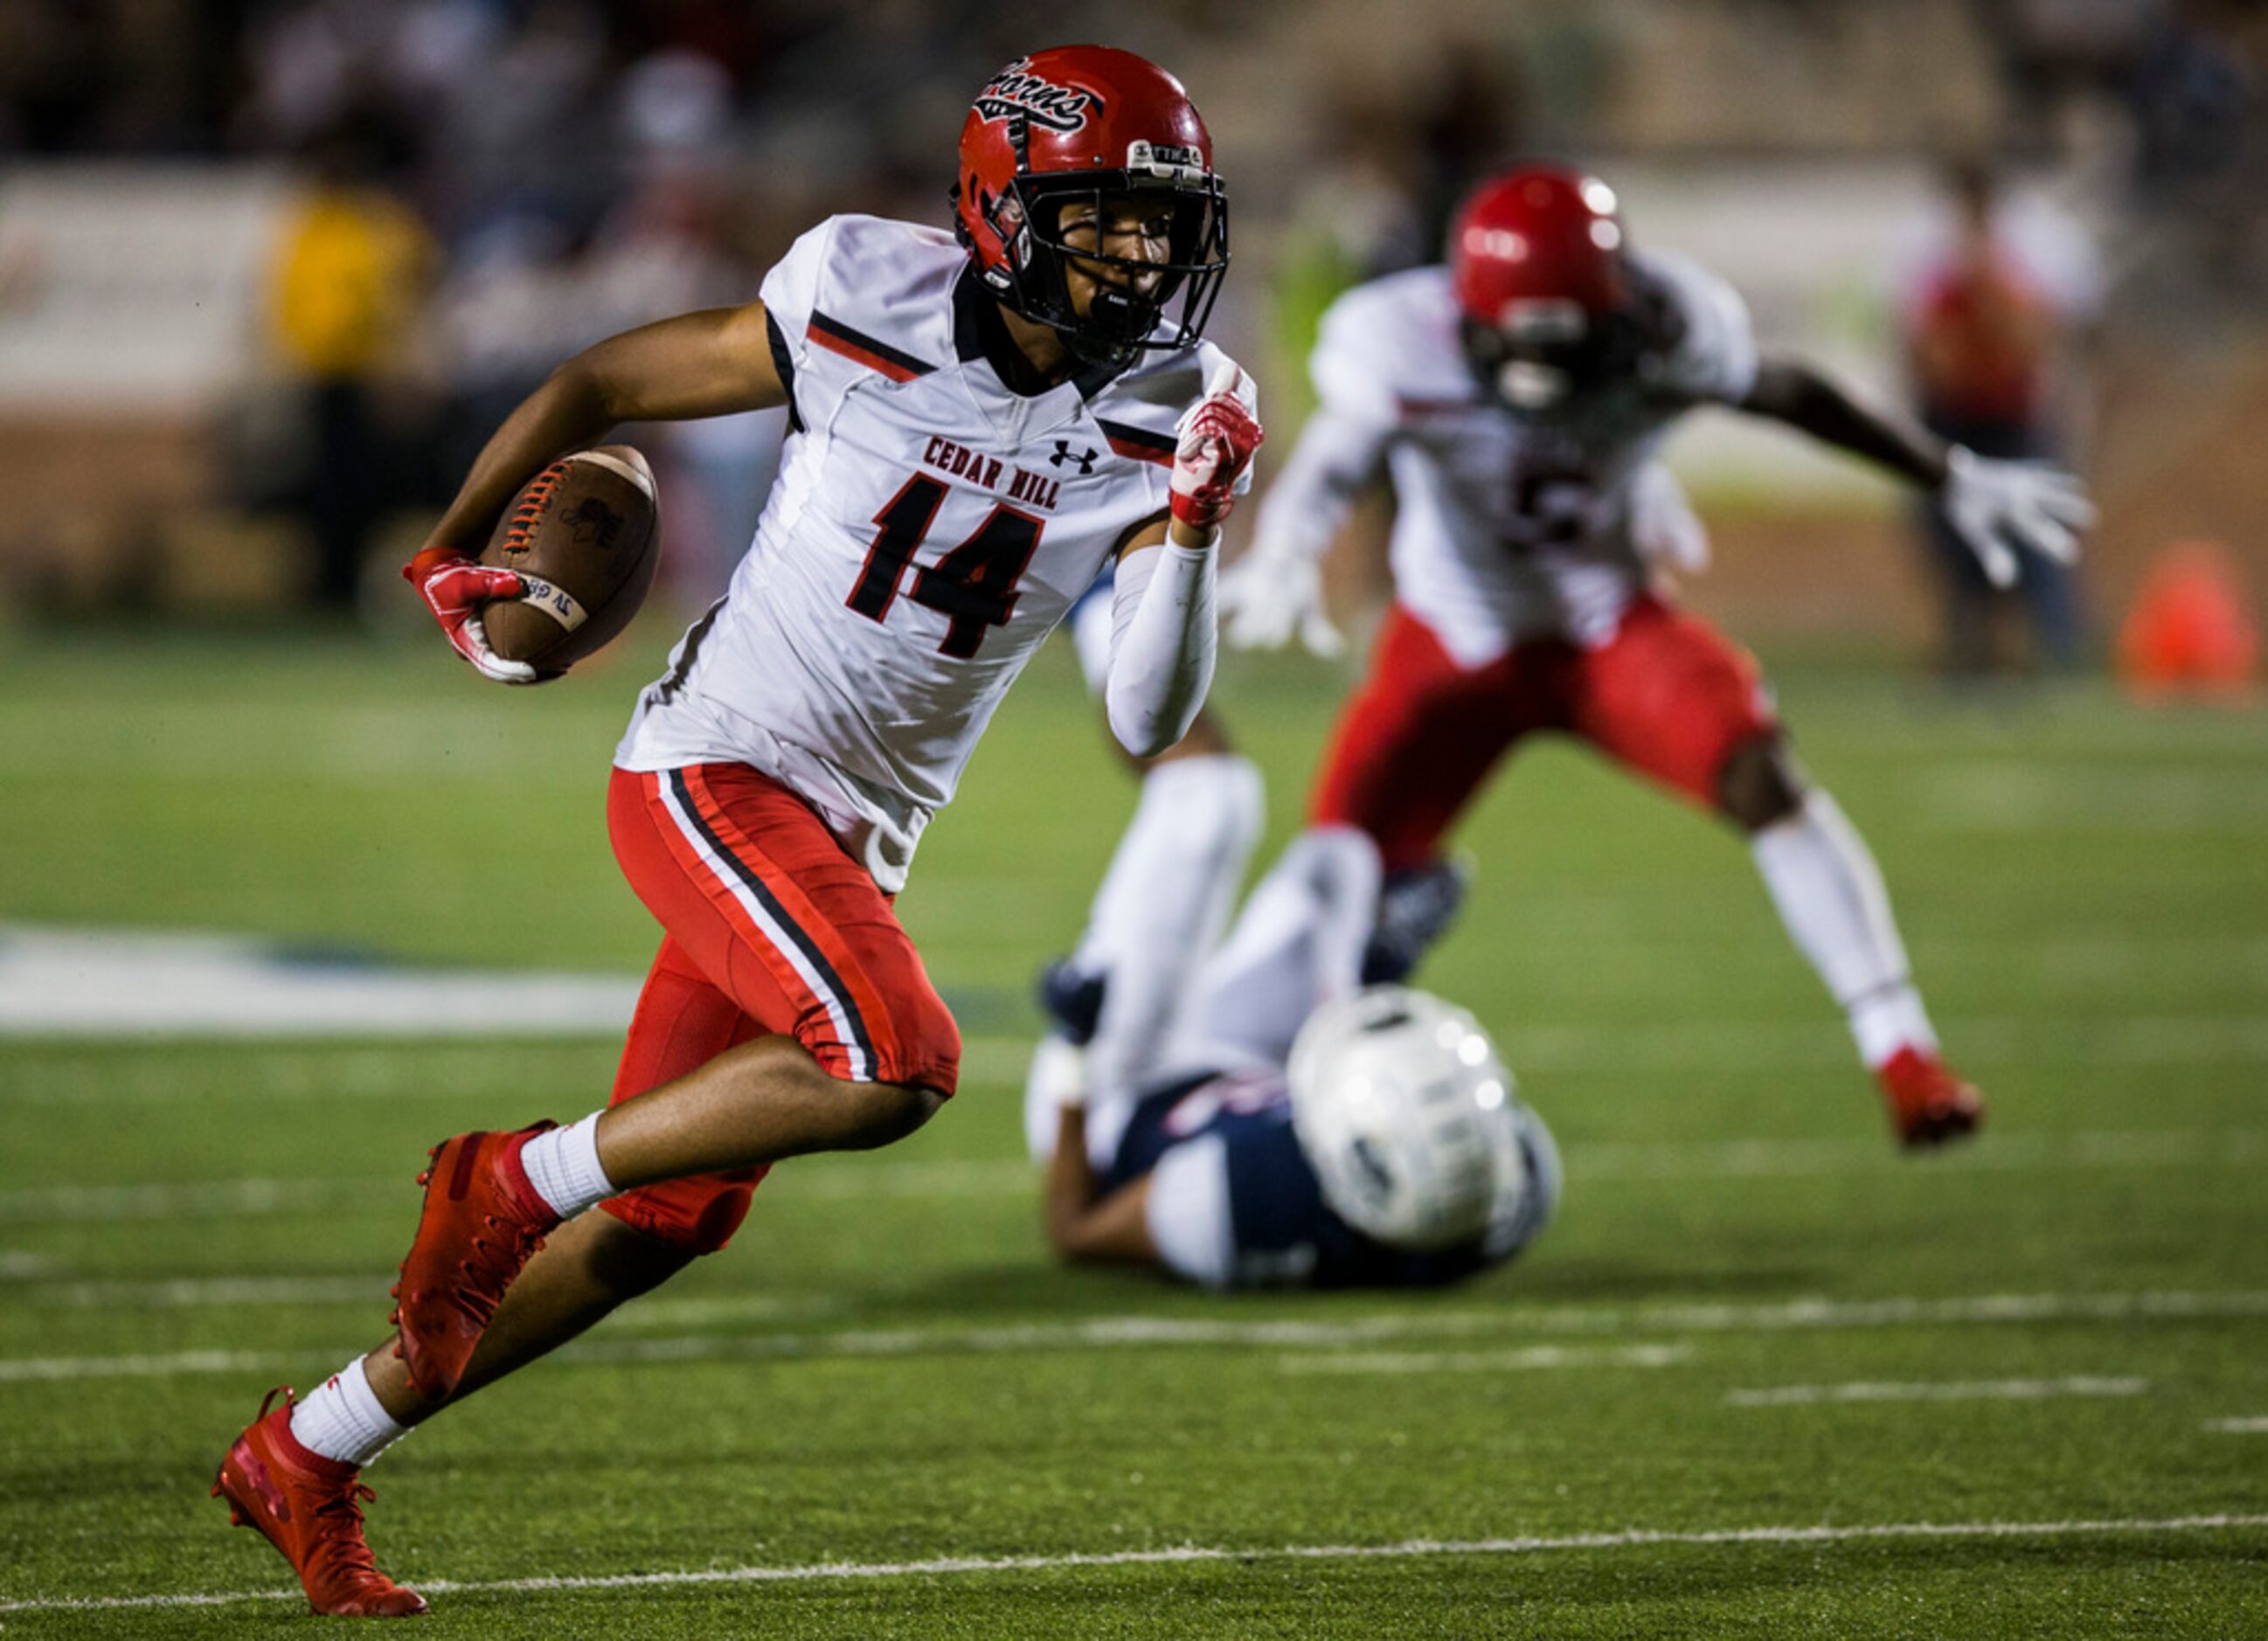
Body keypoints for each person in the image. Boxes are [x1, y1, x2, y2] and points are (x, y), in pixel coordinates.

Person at [209, 46, 1263, 1618]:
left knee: (659, 1224)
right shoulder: (860, 293)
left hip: (855, 830)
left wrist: (1188, 525)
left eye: (1165, 226)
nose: (1147, 256)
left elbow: (1149, 717)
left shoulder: (1184, 404)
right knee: (891, 1061)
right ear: (1004, 208)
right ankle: (508, 1176)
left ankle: (309, 1444)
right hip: (718, 767)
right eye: (1110, 221)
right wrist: (445, 550)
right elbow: (603, 385)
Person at [1217, 165, 2093, 1150]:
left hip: (1607, 626)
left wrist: (1945, 473)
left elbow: (1791, 392)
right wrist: (1288, 546)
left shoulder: (1675, 328)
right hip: (1456, 637)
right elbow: (1338, 454)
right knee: (1340, 844)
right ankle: (1277, 1078)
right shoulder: (1400, 341)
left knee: (1764, 774)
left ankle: (1904, 1054)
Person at [1033, 822, 1559, 1290]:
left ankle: (1365, 968)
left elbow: (1076, 1229)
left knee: (1217, 799)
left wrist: (1075, 1049)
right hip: (1252, 1062)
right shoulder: (1510, 1194)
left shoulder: (1245, 1197)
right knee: (1338, 859)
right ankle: (1367, 970)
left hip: (1115, 1106)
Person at [1899, 156, 2099, 674]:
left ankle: (2052, 647)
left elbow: (2035, 339)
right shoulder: (1934, 264)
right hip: (1955, 420)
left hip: (2011, 421)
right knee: (1958, 540)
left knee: (2031, 535)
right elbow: (1929, 354)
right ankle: (1973, 648)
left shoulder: (2022, 262)